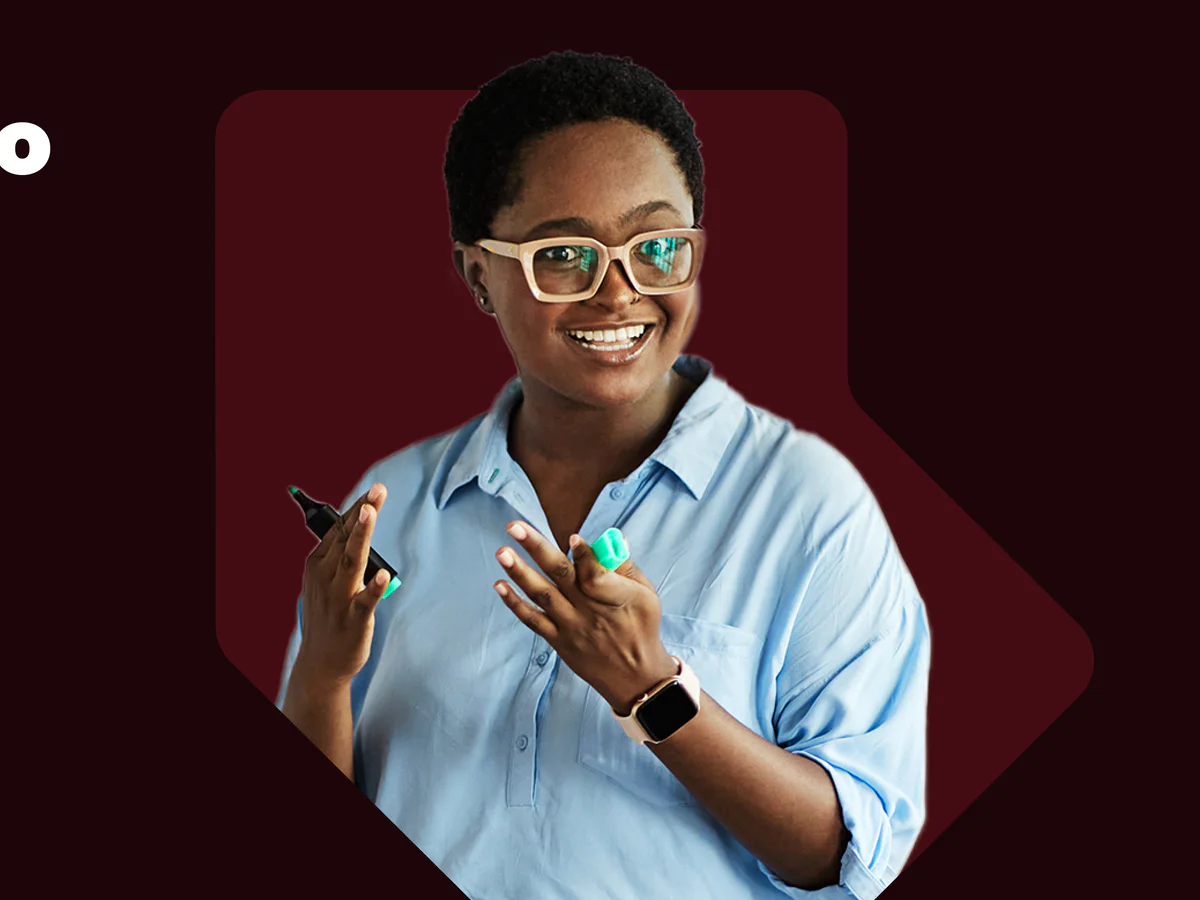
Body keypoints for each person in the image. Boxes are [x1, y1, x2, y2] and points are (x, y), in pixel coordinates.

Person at [275, 52, 930, 900]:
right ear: (480, 275)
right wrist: (324, 671)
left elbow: (842, 855)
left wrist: (652, 689)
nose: (619, 293)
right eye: (563, 256)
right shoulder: (398, 503)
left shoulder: (809, 503)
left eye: (657, 246)